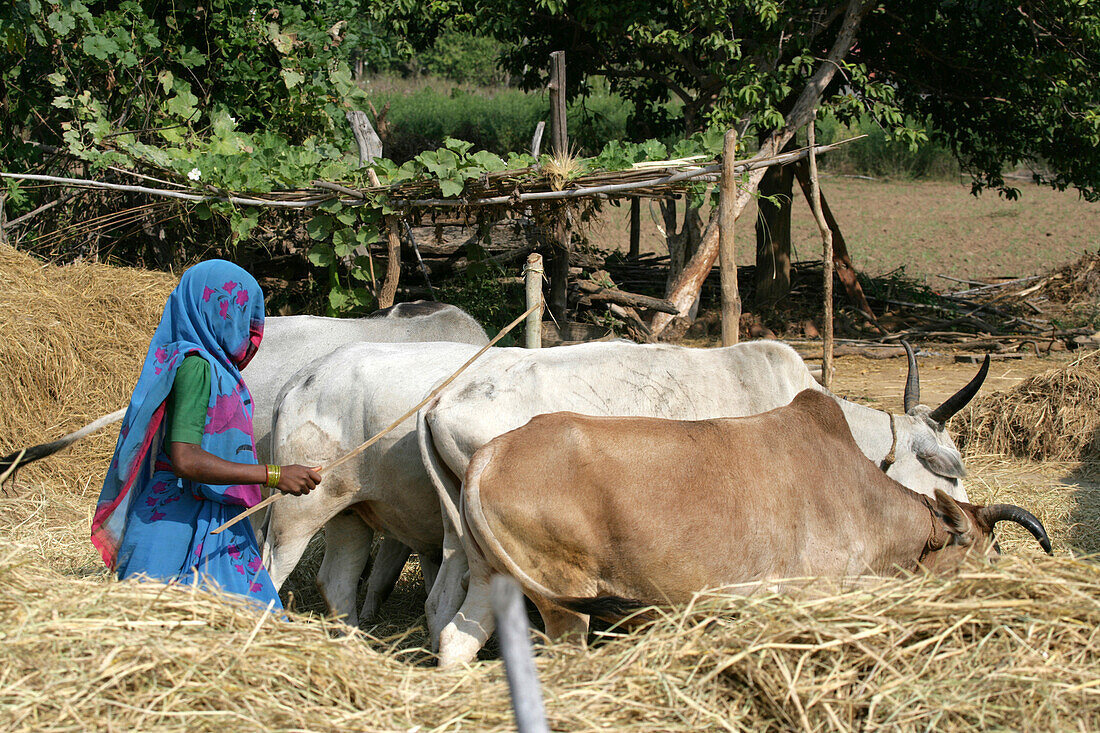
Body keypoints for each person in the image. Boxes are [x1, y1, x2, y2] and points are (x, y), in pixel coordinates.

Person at [91, 259, 320, 608]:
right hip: (178, 524)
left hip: (213, 516)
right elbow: (185, 458)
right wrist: (273, 475)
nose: (251, 328)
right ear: (216, 310)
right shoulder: (196, 366)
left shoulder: (213, 368)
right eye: (242, 312)